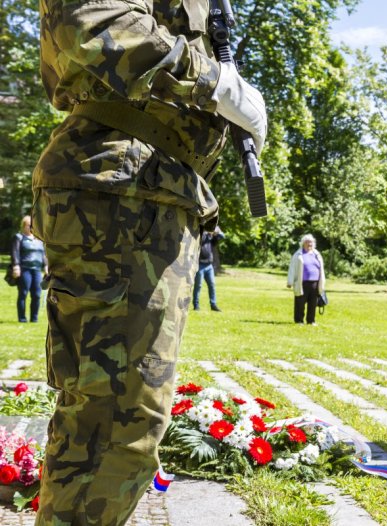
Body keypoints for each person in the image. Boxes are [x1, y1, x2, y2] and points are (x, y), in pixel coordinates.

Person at [31, 0, 268, 522]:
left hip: (151, 190)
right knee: (113, 423)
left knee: (123, 423)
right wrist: (212, 82)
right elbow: (90, 19)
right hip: (120, 190)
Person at [10, 215, 48, 323]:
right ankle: (22, 319)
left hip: (36, 270)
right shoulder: (19, 237)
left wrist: (46, 266)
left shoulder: (39, 240)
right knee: (23, 293)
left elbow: (43, 254)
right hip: (24, 269)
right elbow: (15, 253)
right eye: (28, 225)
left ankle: (34, 319)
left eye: (33, 226)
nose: (31, 228)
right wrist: (16, 266)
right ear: (24, 226)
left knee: (36, 294)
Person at [287, 234, 326, 325]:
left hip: (315, 282)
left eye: (311, 242)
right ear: (303, 244)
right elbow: (292, 268)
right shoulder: (298, 255)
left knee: (313, 303)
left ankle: (311, 320)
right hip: (302, 282)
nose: (309, 244)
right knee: (300, 302)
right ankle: (299, 320)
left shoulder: (317, 254)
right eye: (307, 242)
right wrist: (290, 281)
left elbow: (321, 269)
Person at [193, 225, 225, 312]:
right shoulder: (200, 234)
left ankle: (213, 305)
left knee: (212, 285)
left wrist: (217, 231)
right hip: (200, 265)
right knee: (198, 286)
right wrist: (207, 232)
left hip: (209, 265)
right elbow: (200, 241)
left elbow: (222, 236)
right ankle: (196, 305)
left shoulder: (210, 237)